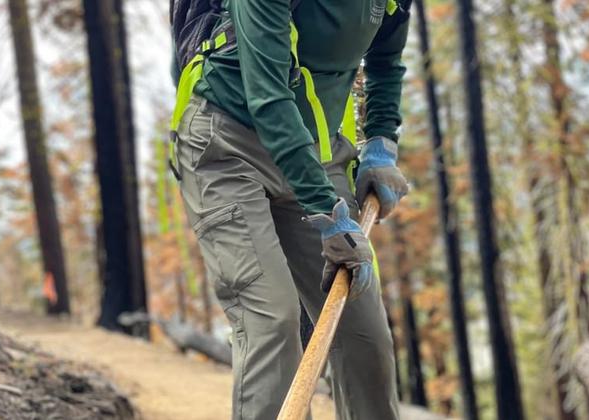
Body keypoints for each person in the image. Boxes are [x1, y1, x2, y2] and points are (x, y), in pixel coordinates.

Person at [171, 0, 411, 418]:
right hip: (227, 148)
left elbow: (385, 59)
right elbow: (268, 98)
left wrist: (380, 142)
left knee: (363, 332)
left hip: (316, 151)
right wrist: (326, 212)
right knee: (271, 319)